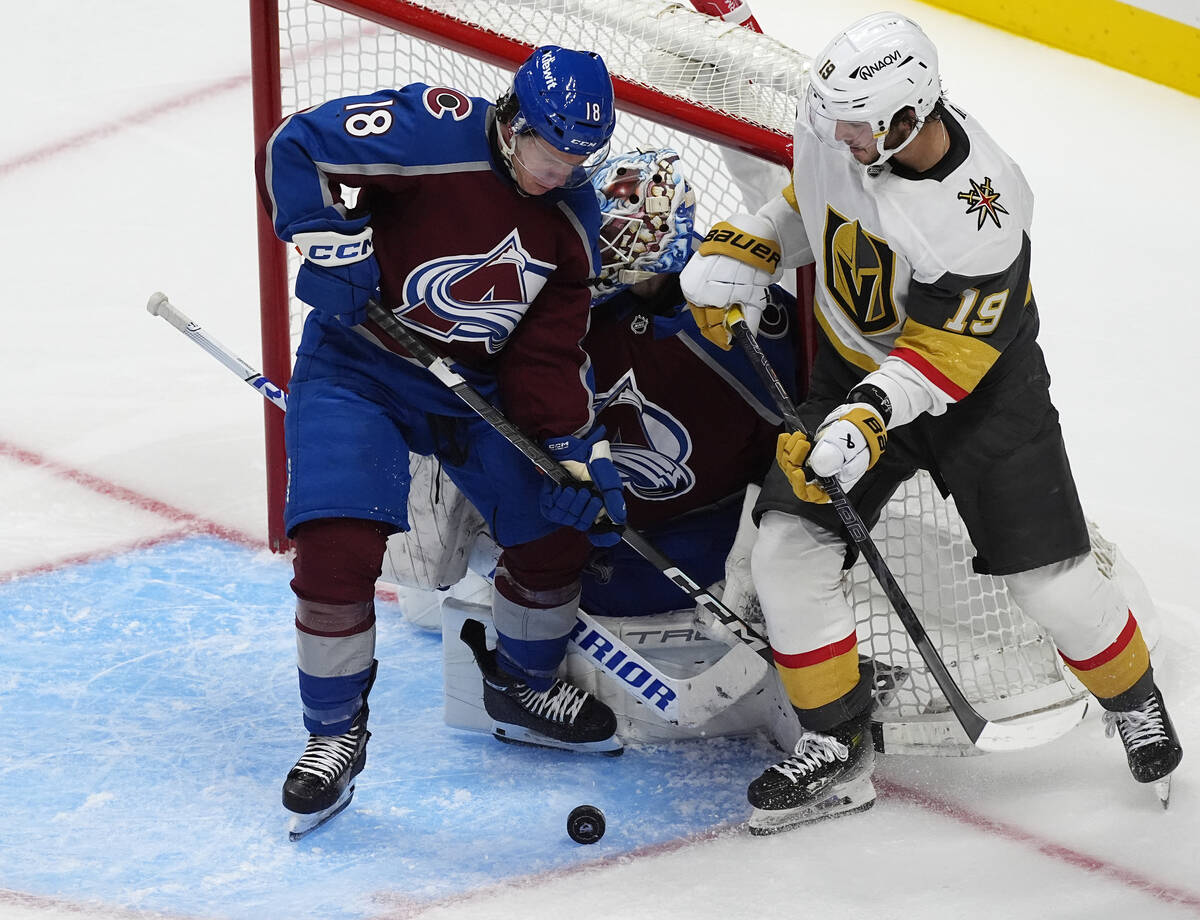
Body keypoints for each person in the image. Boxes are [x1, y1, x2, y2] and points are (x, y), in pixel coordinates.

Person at [680, 11, 1183, 834]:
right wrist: (750, 247)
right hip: (855, 370)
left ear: (908, 117)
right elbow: (810, 207)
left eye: (855, 125)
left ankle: (1134, 700)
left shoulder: (983, 207)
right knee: (786, 548)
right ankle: (836, 746)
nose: (835, 136)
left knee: (1048, 584)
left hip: (983, 387)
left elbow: (946, 355)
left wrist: (868, 420)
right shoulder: (835, 132)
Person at [256, 45, 627, 840]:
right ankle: (334, 736)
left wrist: (571, 450)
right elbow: (297, 144)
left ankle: (521, 686)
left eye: (578, 158)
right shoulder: (428, 131)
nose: (560, 170)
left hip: (474, 394)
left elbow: (547, 352)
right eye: (549, 149)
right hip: (359, 365)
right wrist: (326, 236)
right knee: (334, 541)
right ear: (514, 120)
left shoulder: (572, 218)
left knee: (557, 531)